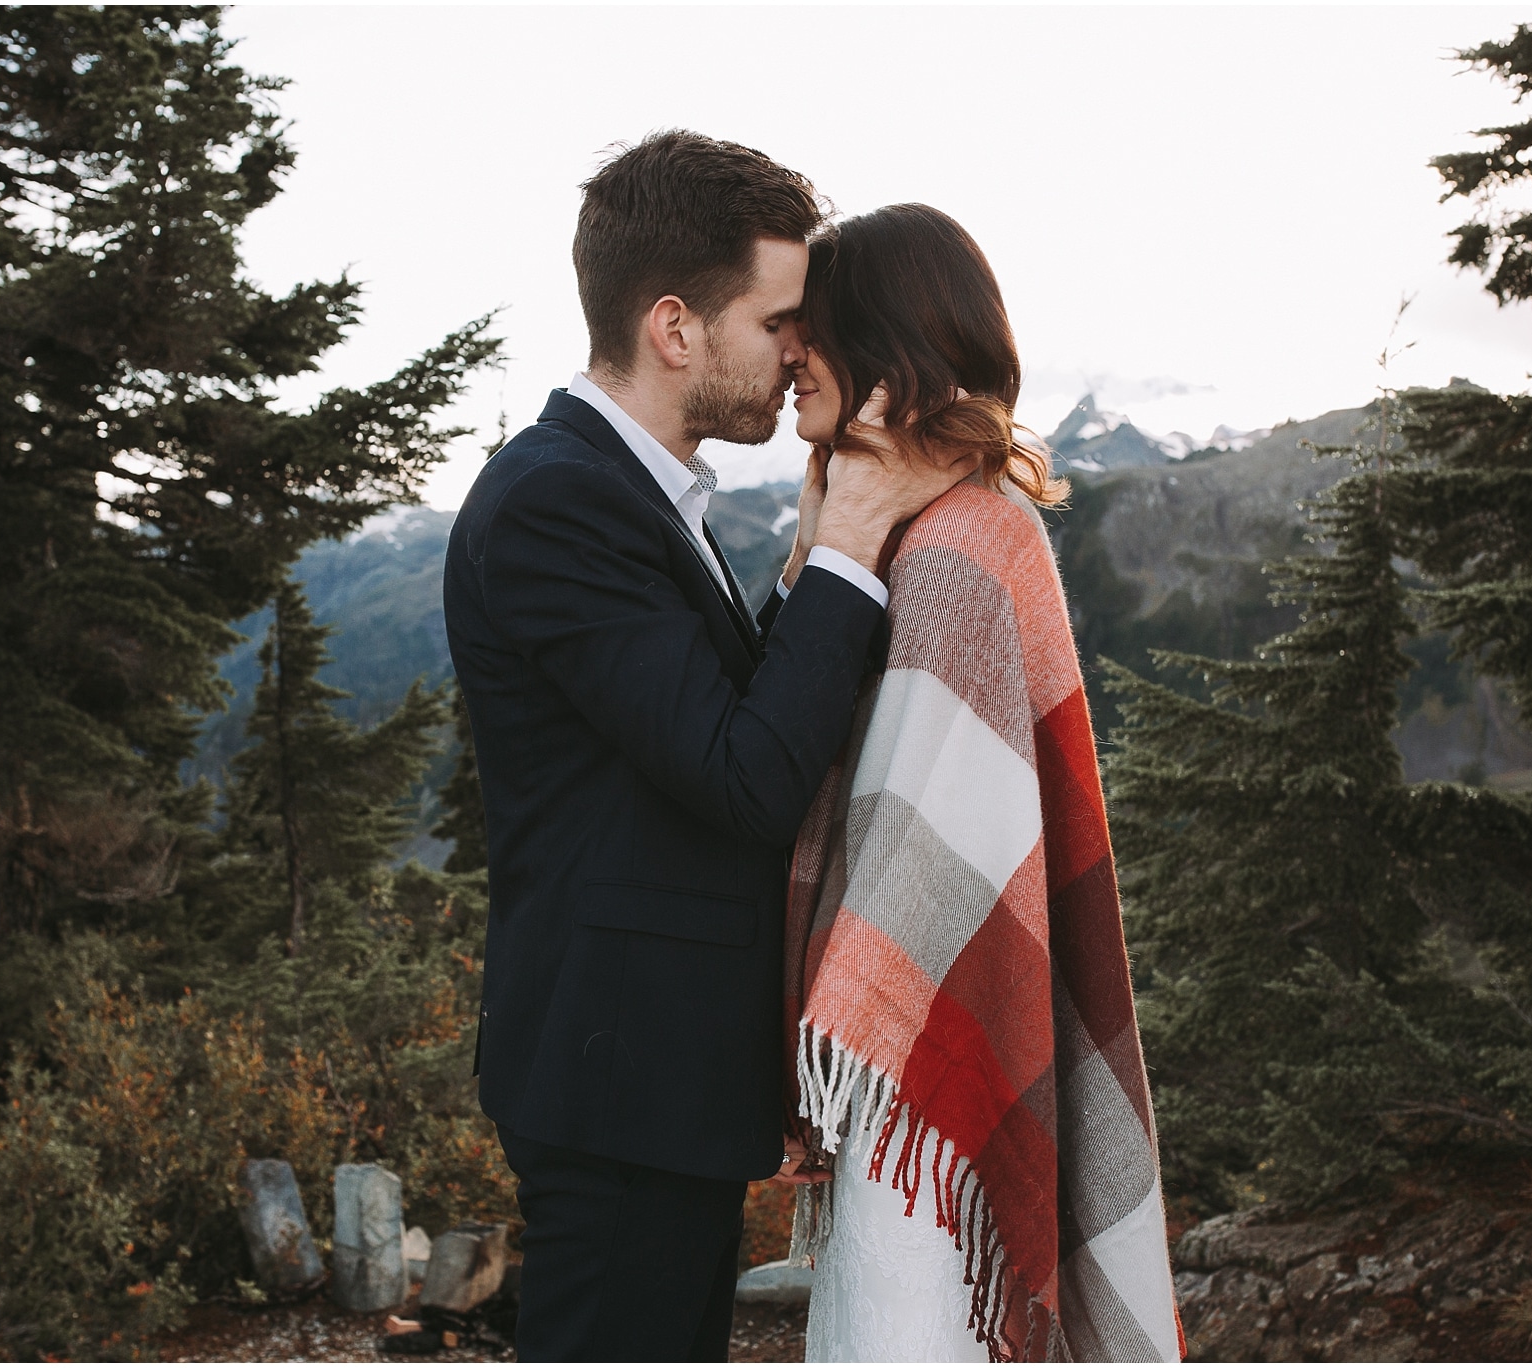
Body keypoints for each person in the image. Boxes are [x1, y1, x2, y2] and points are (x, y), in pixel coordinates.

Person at [441, 134, 969, 1362]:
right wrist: (848, 540)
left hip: (653, 1078)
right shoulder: (554, 502)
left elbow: (699, 728)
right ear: (674, 327)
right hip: (617, 1078)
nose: (801, 348)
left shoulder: (636, 493)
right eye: (780, 318)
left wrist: (804, 566)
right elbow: (745, 778)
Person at [778, 205, 1184, 1362]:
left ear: (884, 353)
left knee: (910, 1321)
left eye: (814, 329)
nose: (790, 354)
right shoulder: (894, 530)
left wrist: (853, 1014)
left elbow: (927, 851)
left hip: (918, 1064)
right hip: (896, 1058)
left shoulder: (959, 549)